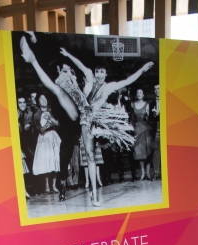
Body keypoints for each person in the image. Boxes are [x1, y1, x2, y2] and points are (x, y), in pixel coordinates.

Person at [20, 36, 152, 207]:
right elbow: (82, 66)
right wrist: (68, 55)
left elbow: (128, 81)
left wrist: (142, 70)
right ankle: (33, 60)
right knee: (58, 92)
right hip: (81, 114)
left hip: (95, 120)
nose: (99, 75)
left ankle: (94, 189)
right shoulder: (89, 77)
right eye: (97, 71)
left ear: (106, 74)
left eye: (102, 72)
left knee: (93, 152)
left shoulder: (110, 86)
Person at [32, 94, 61, 194]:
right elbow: (40, 130)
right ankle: (47, 186)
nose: (43, 100)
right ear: (38, 101)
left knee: (55, 160)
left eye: (45, 98)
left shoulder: (51, 111)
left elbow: (58, 124)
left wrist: (53, 121)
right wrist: (48, 123)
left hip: (53, 137)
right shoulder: (36, 114)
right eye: (41, 98)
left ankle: (54, 185)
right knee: (46, 162)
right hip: (44, 139)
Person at [130, 88, 154, 181]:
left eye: (141, 92)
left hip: (146, 129)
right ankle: (143, 173)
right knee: (139, 151)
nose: (139, 94)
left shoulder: (147, 105)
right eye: (137, 92)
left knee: (148, 150)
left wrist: (148, 115)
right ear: (136, 95)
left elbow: (149, 118)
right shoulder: (133, 105)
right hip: (137, 129)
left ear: (143, 95)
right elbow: (132, 119)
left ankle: (148, 173)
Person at [149, 84, 161, 180]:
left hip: (166, 128)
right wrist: (154, 115)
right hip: (156, 129)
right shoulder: (151, 104)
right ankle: (156, 172)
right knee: (156, 150)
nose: (157, 91)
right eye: (155, 89)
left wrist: (159, 114)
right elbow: (149, 119)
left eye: (158, 89)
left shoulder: (167, 102)